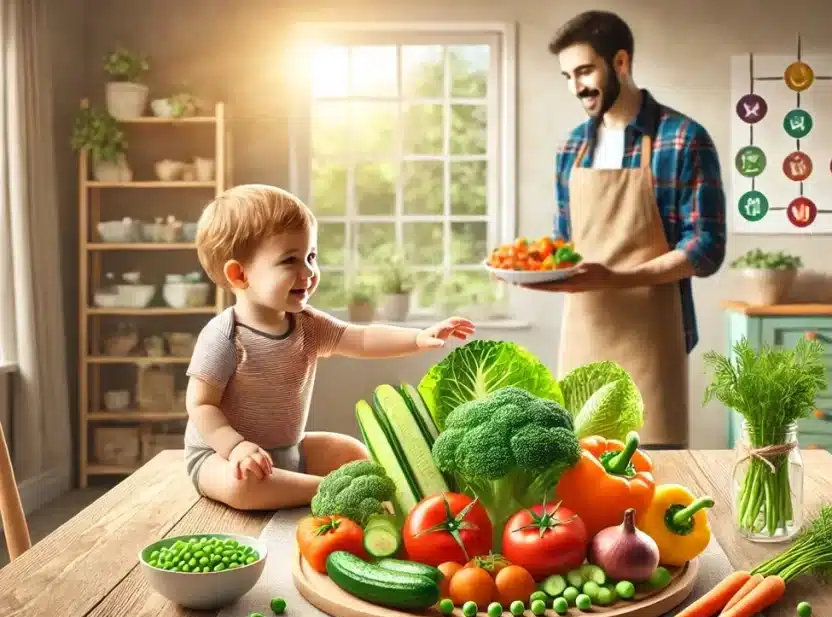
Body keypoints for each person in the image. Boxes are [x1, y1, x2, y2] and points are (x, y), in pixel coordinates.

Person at [185, 184, 476, 510]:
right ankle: (326, 490)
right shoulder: (224, 336)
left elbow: (360, 338)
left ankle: (305, 485)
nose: (308, 272)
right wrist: (236, 448)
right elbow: (200, 406)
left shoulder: (307, 324)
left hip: (287, 452)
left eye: (311, 256)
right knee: (243, 486)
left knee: (351, 452)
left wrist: (418, 338)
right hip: (219, 457)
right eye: (290, 260)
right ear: (240, 274)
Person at [526, 10, 727, 449]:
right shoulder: (571, 148)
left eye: (584, 71)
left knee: (654, 475)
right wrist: (539, 276)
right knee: (580, 475)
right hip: (584, 333)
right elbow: (565, 247)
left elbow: (706, 247)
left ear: (620, 62)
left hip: (651, 341)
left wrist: (619, 279)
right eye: (567, 75)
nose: (576, 87)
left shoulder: (683, 139)